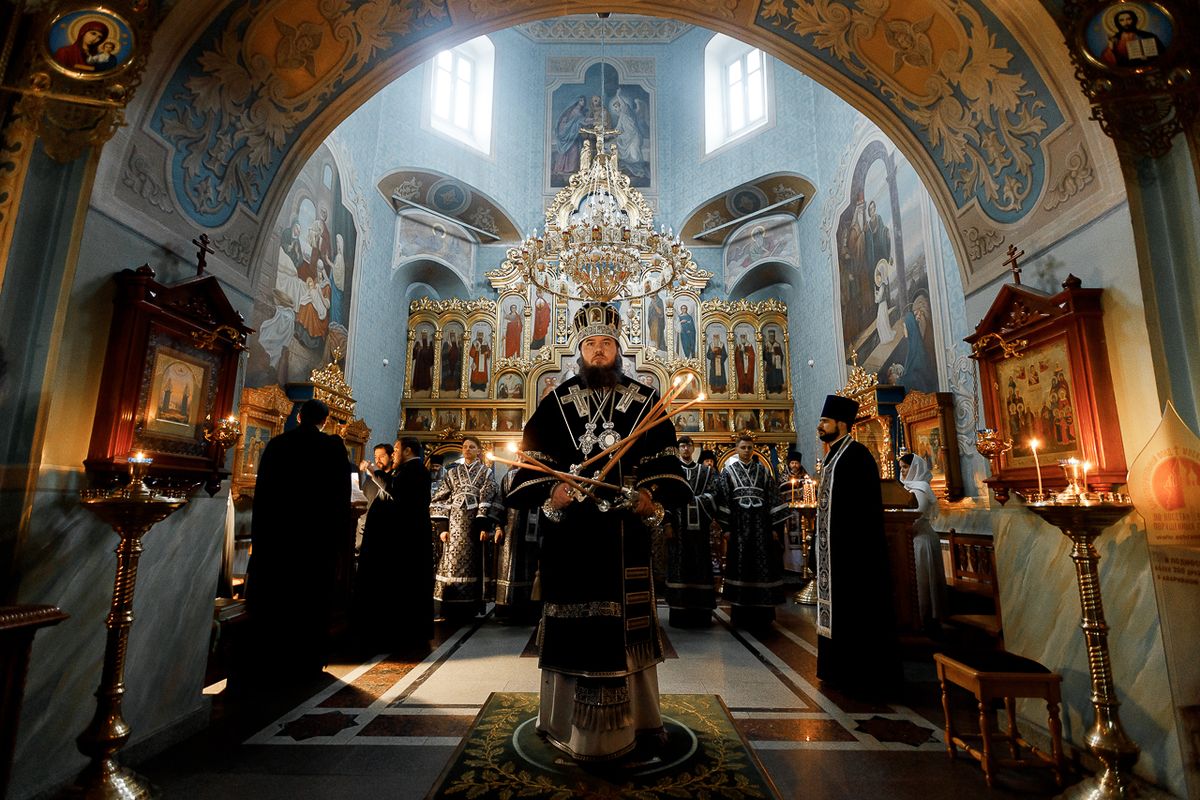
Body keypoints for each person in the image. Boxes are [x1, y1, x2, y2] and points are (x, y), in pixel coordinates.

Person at [504, 301, 689, 763]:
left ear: (618, 348)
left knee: (626, 632)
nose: (599, 350)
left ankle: (639, 723)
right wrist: (553, 493)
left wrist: (648, 497)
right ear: (580, 349)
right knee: (574, 628)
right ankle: (564, 725)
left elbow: (666, 466)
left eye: (607, 342)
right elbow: (529, 467)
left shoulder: (646, 401)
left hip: (624, 537)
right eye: (591, 343)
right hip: (572, 542)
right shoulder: (556, 401)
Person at [244, 399, 351, 688]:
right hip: (316, 540)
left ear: (299, 416)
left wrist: (260, 539)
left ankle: (272, 659)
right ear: (324, 422)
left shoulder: (278, 445)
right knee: (310, 599)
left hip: (279, 539)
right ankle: (307, 660)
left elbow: (264, 495)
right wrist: (339, 541)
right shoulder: (332, 448)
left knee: (278, 598)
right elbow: (341, 498)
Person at [814, 394, 901, 697]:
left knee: (855, 612)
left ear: (841, 424)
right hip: (833, 552)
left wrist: (846, 546)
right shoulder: (832, 457)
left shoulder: (857, 457)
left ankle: (857, 673)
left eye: (824, 421)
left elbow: (863, 511)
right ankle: (836, 670)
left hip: (854, 555)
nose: (820, 426)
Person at [353, 438, 433, 654]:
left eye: (396, 449)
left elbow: (395, 491)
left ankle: (401, 634)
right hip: (397, 540)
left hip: (405, 543)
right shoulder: (406, 470)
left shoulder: (415, 471)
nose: (394, 453)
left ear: (407, 451)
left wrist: (372, 471)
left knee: (403, 588)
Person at [716, 434, 789, 628]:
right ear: (736, 449)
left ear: (753, 448)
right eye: (743, 447)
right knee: (741, 566)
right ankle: (741, 614)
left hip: (761, 528)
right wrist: (726, 528)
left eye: (749, 447)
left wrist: (774, 527)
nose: (747, 451)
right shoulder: (728, 472)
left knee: (762, 567)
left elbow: (773, 498)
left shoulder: (763, 471)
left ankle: (764, 614)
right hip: (739, 528)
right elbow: (723, 500)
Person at [430, 435, 498, 619]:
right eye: (465, 446)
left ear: (479, 451)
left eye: (472, 447)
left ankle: (470, 607)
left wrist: (483, 525)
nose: (467, 449)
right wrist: (443, 527)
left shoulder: (486, 473)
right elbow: (440, 498)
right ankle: (448, 606)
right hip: (454, 524)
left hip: (474, 524)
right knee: (450, 562)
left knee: (473, 562)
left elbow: (490, 496)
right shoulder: (452, 473)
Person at [665, 436, 718, 627]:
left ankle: (701, 614)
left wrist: (695, 501)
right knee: (679, 566)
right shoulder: (672, 472)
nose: (685, 449)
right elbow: (666, 498)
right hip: (678, 528)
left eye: (688, 446)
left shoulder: (705, 471)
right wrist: (667, 524)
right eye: (682, 446)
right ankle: (679, 612)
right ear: (678, 449)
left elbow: (714, 494)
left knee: (700, 564)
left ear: (693, 448)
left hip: (699, 530)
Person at [489, 467, 543, 624]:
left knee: (532, 569)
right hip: (511, 531)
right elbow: (500, 503)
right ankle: (509, 610)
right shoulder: (509, 477)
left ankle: (532, 611)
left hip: (535, 530)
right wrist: (498, 526)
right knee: (510, 569)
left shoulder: (541, 473)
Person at [899, 453, 946, 630]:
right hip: (911, 541)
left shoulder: (920, 490)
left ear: (915, 468)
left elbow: (915, 518)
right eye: (901, 467)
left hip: (922, 541)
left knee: (924, 582)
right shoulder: (906, 489)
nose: (902, 471)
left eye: (905, 467)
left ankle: (926, 618)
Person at [778, 449, 809, 574]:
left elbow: (809, 491)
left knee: (803, 536)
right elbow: (779, 492)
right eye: (792, 463)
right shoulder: (783, 477)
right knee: (788, 538)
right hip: (788, 513)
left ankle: (803, 564)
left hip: (802, 512)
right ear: (789, 464)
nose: (794, 465)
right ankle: (790, 565)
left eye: (796, 463)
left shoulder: (805, 476)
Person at [1101, 9, 1166, 68]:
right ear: (1118, 23)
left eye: (1129, 19)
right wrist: (1111, 49)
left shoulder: (1148, 36)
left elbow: (1162, 54)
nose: (1126, 23)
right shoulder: (1115, 39)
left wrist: (1149, 57)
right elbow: (1108, 61)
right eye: (1121, 20)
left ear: (1134, 20)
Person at [764, 329, 785, 394]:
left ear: (774, 336)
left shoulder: (777, 344)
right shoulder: (766, 344)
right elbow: (763, 355)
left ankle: (778, 389)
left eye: (773, 336)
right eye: (770, 336)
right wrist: (767, 353)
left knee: (777, 376)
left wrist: (777, 356)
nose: (772, 338)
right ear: (769, 337)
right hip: (770, 364)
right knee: (770, 376)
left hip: (777, 363)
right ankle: (771, 389)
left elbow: (781, 355)